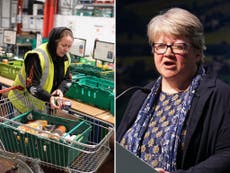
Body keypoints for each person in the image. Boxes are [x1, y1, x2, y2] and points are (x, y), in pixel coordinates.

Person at [116, 7, 230, 173]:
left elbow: (226, 154)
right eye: (160, 46)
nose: (167, 53)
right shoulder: (140, 95)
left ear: (197, 52)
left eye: (179, 46)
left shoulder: (219, 94)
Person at [8, 27, 74, 112]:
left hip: (41, 106)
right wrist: (50, 97)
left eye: (69, 46)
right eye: (63, 45)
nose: (66, 49)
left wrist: (60, 90)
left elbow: (67, 79)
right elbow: (32, 86)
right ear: (54, 43)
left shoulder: (65, 58)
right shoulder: (37, 56)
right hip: (21, 103)